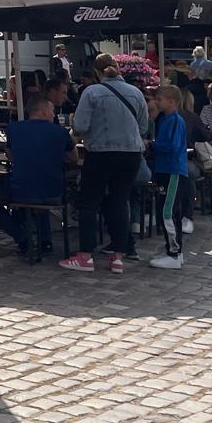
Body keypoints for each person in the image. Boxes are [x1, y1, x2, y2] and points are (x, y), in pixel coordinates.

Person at [61, 55, 146, 274]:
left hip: (101, 152)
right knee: (120, 201)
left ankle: (86, 256)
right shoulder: (136, 93)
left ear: (97, 72)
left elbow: (80, 125)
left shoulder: (92, 93)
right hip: (131, 153)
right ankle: (118, 257)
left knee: (89, 202)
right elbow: (143, 127)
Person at [0, 96, 75, 257]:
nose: (54, 114)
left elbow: (10, 155)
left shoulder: (14, 129)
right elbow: (73, 158)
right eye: (52, 111)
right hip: (53, 193)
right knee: (41, 183)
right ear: (43, 111)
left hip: (22, 190)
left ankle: (22, 238)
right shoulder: (60, 132)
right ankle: (45, 241)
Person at [148, 84, 190, 270]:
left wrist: (153, 146)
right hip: (166, 169)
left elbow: (172, 146)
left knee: (167, 212)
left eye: (160, 99)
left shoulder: (174, 120)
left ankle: (173, 252)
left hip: (173, 170)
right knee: (170, 211)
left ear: (171, 102)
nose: (157, 102)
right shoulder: (166, 120)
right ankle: (175, 251)